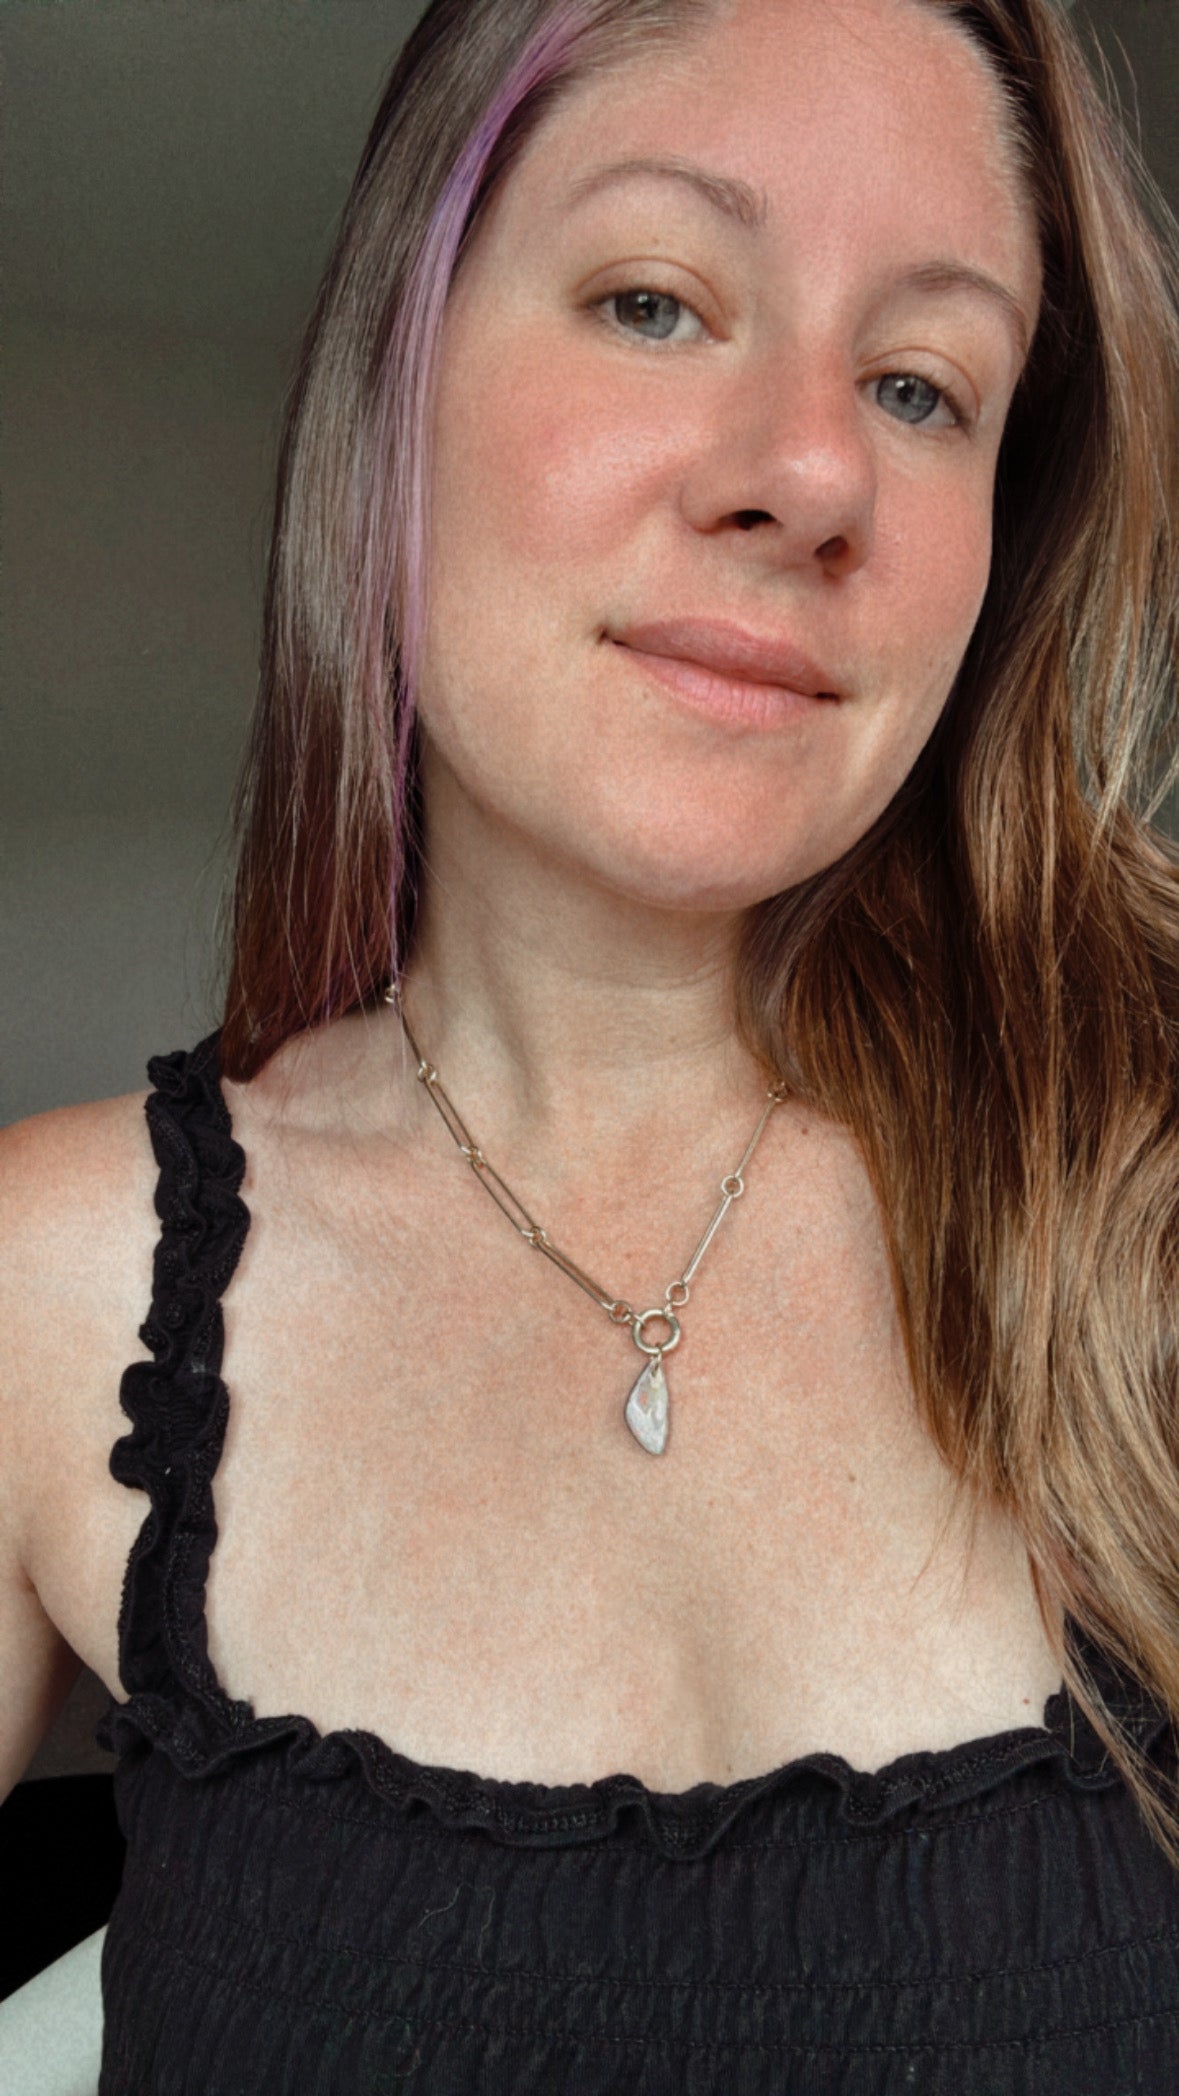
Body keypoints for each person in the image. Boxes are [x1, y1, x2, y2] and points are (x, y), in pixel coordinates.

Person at [3, 0, 1178, 2085]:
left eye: (919, 383)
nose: (809, 472)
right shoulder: (52, 1296)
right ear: (397, 372)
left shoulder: (1150, 1198)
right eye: (655, 301)